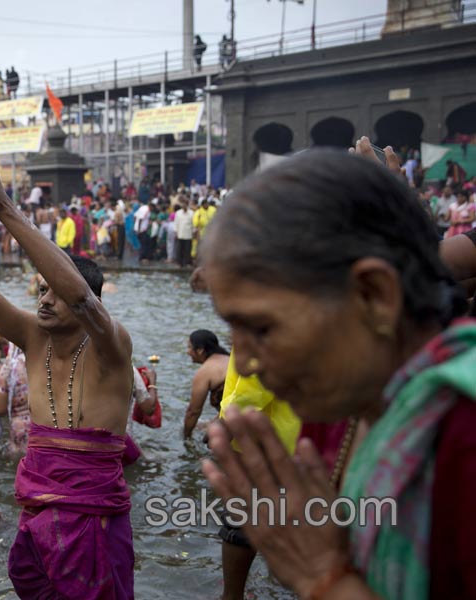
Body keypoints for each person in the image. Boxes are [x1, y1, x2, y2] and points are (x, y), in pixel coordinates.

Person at [199, 149, 475, 600]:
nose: (244, 362)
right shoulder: (336, 415)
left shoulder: (463, 434)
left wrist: (324, 581)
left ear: (374, 295)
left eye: (263, 328)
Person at [0, 164, 135, 599]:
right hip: (37, 507)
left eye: (54, 292)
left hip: (92, 515)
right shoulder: (34, 336)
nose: (46, 300)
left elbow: (77, 294)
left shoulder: (110, 346)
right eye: (41, 291)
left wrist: (2, 207)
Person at [183, 329, 230, 438]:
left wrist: (186, 437)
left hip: (238, 423)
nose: (188, 352)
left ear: (200, 350)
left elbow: (193, 412)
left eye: (190, 347)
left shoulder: (205, 372)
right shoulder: (229, 359)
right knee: (202, 426)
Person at [0, 343, 30, 455]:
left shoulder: (10, 367)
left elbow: (0, 409)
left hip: (21, 429)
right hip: (49, 427)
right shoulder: (50, 359)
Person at [174, 202, 195, 267]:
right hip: (180, 233)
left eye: (185, 205)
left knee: (187, 249)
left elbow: (193, 224)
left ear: (187, 205)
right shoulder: (178, 213)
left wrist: (193, 232)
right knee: (180, 249)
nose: (184, 206)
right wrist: (176, 232)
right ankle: (179, 263)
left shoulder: (191, 213)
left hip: (188, 234)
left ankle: (187, 263)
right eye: (183, 205)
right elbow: (176, 223)